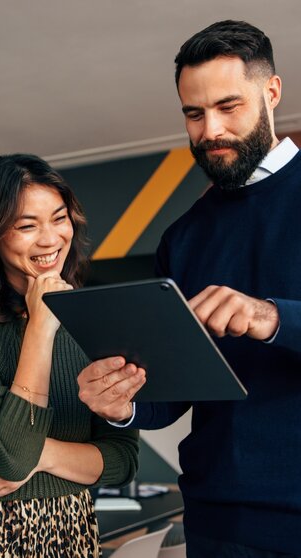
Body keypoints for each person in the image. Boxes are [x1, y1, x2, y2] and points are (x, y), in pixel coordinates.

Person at [77, 20, 301, 557]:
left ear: (271, 92)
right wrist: (120, 402)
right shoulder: (183, 236)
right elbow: (172, 391)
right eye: (194, 114)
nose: (211, 130)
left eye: (229, 107)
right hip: (217, 518)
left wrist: (273, 318)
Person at [0, 154, 139, 557]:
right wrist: (41, 325)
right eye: (26, 226)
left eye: (59, 218)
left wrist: (46, 455)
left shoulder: (97, 319)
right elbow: (8, 457)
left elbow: (123, 458)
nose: (50, 239)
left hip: (71, 527)